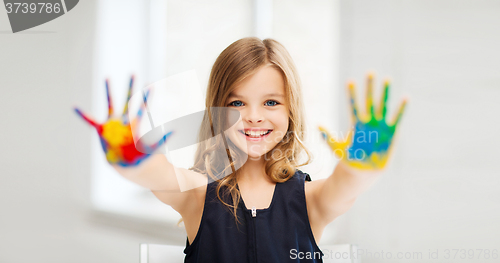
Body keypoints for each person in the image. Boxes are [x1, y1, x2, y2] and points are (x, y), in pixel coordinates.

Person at [74, 37, 407, 262]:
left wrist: (363, 161)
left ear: (291, 111)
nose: (253, 116)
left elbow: (348, 184)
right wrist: (129, 156)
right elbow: (156, 173)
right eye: (236, 102)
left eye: (271, 102)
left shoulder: (312, 200)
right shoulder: (196, 194)